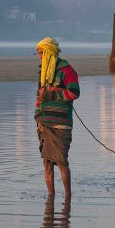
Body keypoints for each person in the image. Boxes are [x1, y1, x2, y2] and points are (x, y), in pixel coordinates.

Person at [35, 38, 80, 198]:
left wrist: (51, 94)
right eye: (39, 53)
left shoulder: (67, 70)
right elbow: (39, 98)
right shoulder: (42, 72)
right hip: (45, 123)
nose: (40, 56)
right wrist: (38, 119)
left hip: (61, 123)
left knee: (61, 162)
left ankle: (68, 197)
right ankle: (51, 197)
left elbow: (74, 93)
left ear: (50, 52)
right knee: (47, 163)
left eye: (42, 53)